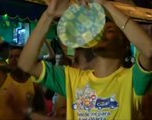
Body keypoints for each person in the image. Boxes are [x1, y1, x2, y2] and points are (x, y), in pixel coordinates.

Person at [18, 0, 152, 119]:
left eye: (110, 30)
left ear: (125, 45)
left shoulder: (133, 80)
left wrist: (105, 5)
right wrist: (49, 15)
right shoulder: (72, 78)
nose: (101, 32)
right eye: (100, 28)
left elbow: (149, 50)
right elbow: (25, 64)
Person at [0, 39, 45, 120]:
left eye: (17, 56)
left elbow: (41, 111)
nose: (13, 59)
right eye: (11, 57)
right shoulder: (1, 78)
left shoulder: (34, 84)